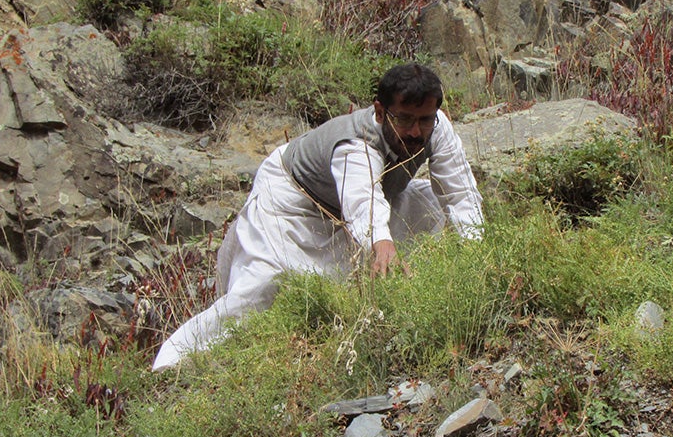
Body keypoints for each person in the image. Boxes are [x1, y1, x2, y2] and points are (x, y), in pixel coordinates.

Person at [152, 63, 484, 370]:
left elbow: (459, 194)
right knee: (263, 287)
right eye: (405, 120)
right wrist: (382, 244)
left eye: (425, 120)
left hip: (372, 197)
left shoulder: (437, 129)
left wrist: (477, 258)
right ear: (381, 113)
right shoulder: (355, 144)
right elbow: (361, 201)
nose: (416, 132)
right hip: (293, 199)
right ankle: (176, 362)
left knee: (434, 210)